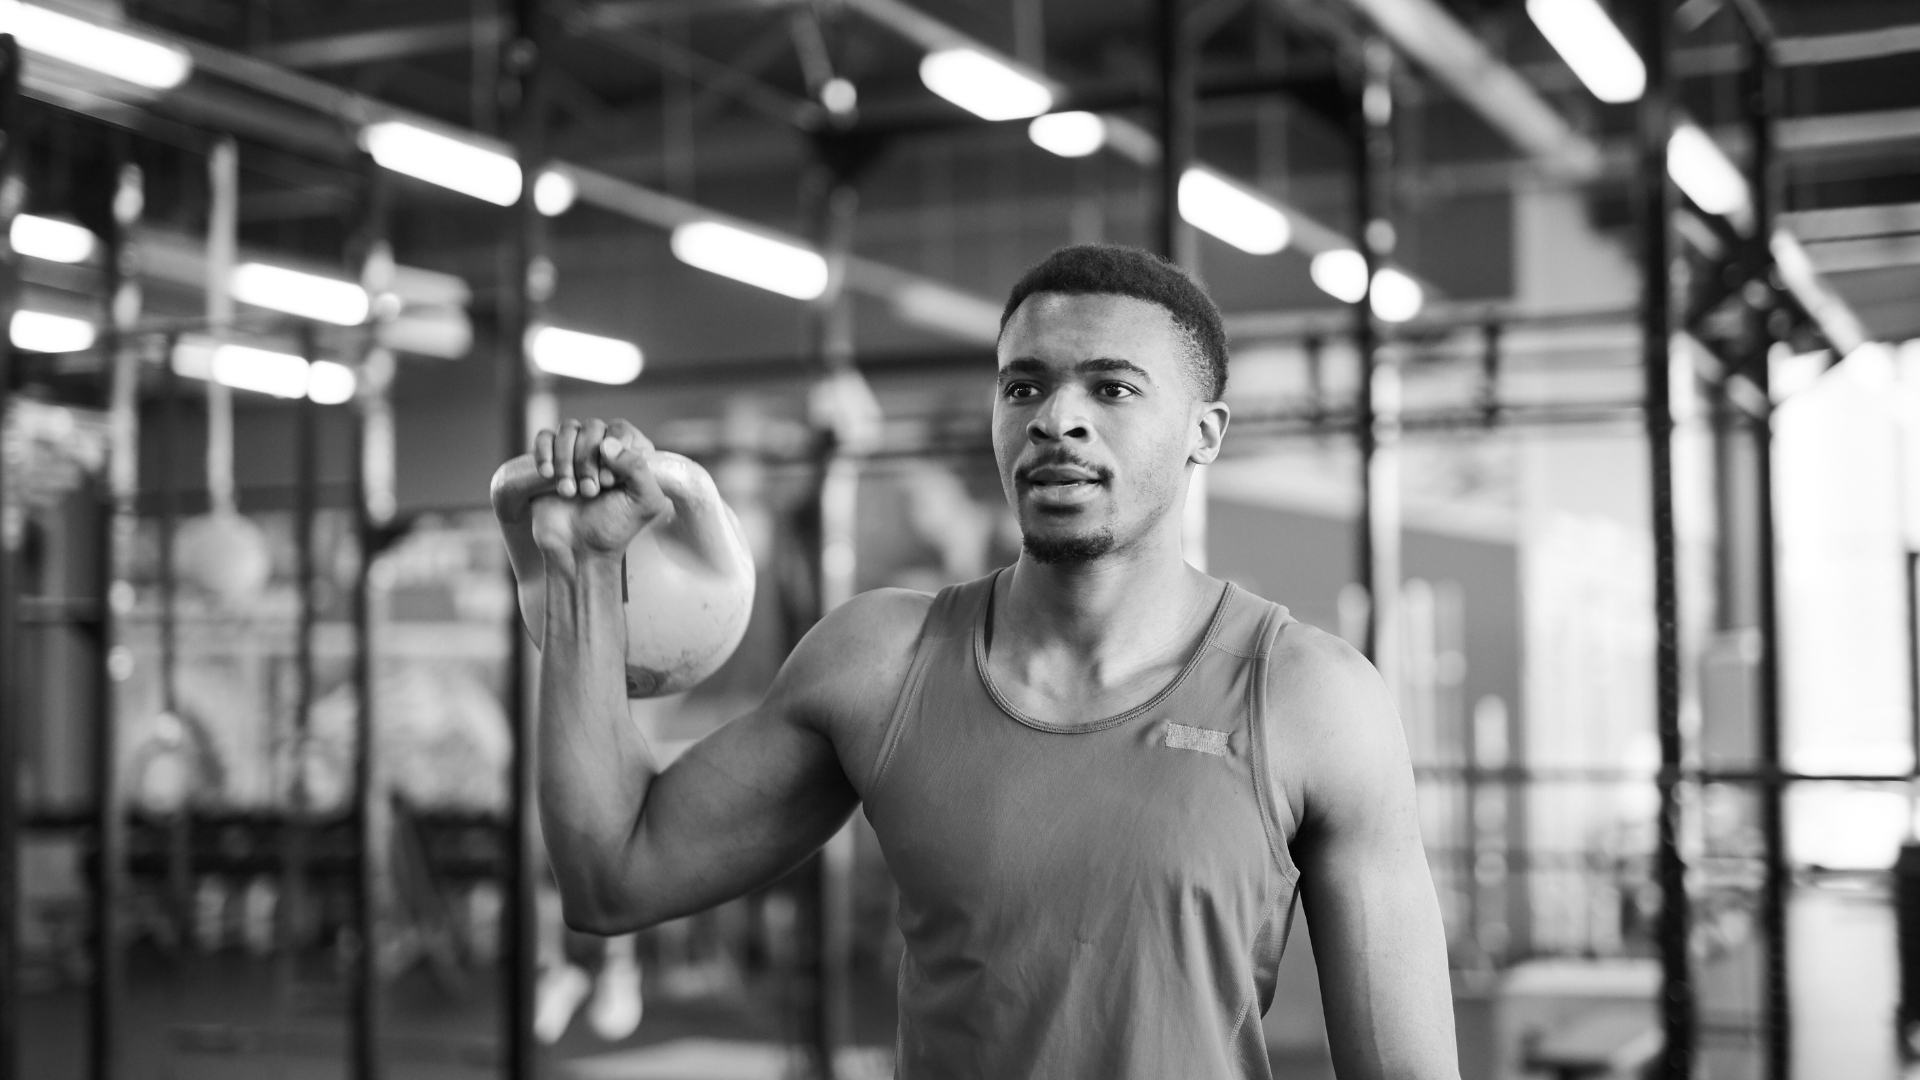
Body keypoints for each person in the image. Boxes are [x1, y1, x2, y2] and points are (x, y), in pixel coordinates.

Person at [500, 244, 1459, 1078]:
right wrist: (583, 570)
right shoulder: (881, 663)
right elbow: (613, 874)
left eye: (1113, 388)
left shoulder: (1309, 698)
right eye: (1024, 386)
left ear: (1204, 433)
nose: (1055, 419)